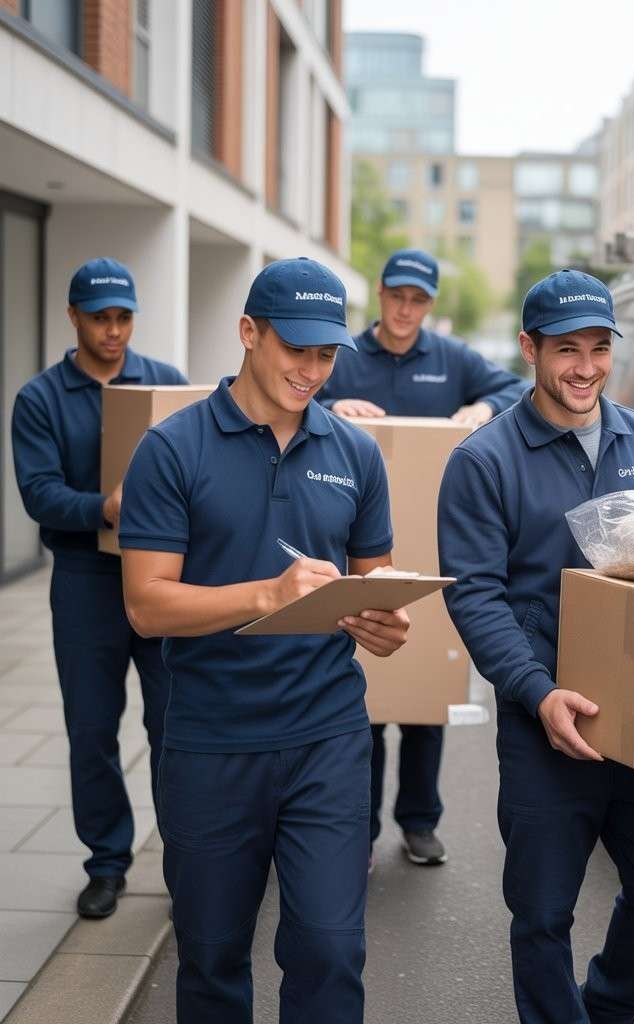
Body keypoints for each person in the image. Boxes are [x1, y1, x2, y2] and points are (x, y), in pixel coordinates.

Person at [118, 258, 410, 1023]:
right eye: (295, 349)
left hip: (328, 738)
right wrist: (266, 596)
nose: (311, 371)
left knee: (331, 948)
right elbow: (146, 607)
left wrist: (384, 622)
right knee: (212, 957)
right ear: (249, 333)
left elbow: (371, 580)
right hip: (210, 742)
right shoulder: (172, 449)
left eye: (326, 355)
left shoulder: (357, 455)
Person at [438, 269, 634, 1023]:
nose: (584, 367)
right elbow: (477, 596)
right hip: (543, 722)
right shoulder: (483, 462)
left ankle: (606, 1009)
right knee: (542, 913)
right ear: (529, 349)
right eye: (565, 349)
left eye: (598, 347)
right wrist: (538, 691)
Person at [319, 247, 528, 867]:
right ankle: (359, 822)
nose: (406, 309)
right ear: (379, 295)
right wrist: (329, 407)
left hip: (430, 537)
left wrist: (484, 407)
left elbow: (517, 384)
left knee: (423, 696)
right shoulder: (343, 355)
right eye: (397, 296)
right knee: (367, 697)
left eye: (418, 300)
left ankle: (418, 822)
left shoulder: (452, 359)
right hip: (355, 540)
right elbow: (288, 395)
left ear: (429, 304)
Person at [11, 257, 185, 919]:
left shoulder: (165, 384)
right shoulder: (41, 399)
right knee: (91, 729)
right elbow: (38, 494)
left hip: (162, 576)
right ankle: (107, 864)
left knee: (173, 724)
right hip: (85, 581)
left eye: (123, 318)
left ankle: (185, 864)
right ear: (73, 317)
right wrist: (104, 509)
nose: (113, 331)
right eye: (99, 318)